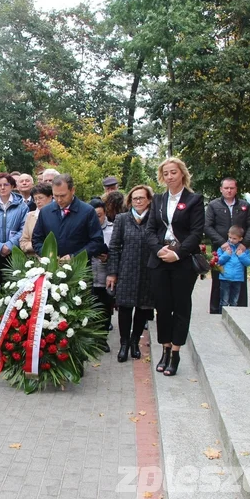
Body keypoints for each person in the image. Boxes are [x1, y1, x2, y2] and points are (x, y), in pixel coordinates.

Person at [145, 158, 204, 377]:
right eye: (166, 173)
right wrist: (160, 250)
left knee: (180, 307)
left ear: (182, 174)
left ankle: (176, 352)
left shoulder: (194, 200)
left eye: (173, 172)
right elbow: (150, 230)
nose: (170, 177)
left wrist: (178, 254)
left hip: (182, 261)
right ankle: (165, 348)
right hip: (159, 258)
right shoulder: (159, 199)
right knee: (162, 307)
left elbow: (197, 232)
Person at [107, 185, 155, 362]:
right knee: (125, 308)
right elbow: (114, 247)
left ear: (149, 200)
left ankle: (135, 342)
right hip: (126, 270)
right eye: (135, 198)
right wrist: (112, 273)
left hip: (148, 271)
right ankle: (124, 344)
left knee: (143, 308)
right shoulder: (122, 219)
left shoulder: (154, 219)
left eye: (142, 198)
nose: (138, 201)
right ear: (130, 201)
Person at [205, 177, 250, 313]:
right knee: (218, 282)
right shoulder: (213, 205)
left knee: (239, 281)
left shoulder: (244, 205)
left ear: (236, 189)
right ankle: (216, 311)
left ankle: (240, 310)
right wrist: (221, 243)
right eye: (226, 188)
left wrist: (245, 244)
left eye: (232, 188)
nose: (229, 190)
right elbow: (207, 226)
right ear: (221, 189)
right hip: (221, 251)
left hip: (239, 250)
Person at [32, 174, 107, 260]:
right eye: (55, 196)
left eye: (63, 195)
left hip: (79, 268)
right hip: (51, 268)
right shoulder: (45, 212)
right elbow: (36, 240)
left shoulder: (87, 211)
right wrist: (47, 254)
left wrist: (74, 256)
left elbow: (97, 241)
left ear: (72, 190)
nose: (59, 200)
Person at [0, 173, 28, 294]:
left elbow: (24, 228)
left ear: (12, 186)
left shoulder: (22, 206)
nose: (2, 188)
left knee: (13, 288)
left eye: (6, 184)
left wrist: (9, 245)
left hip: (14, 253)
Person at [89, 198, 115, 350]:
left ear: (105, 214)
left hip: (106, 275)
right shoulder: (84, 230)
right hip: (90, 275)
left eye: (99, 215)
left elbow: (118, 250)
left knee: (105, 309)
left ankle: (102, 339)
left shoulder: (113, 229)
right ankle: (91, 339)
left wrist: (108, 256)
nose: (96, 219)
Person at [217, 225, 250, 308]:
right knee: (224, 301)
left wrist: (241, 255)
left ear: (240, 239)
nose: (231, 240)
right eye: (230, 237)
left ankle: (233, 317)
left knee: (234, 301)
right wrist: (226, 254)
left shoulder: (244, 249)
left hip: (237, 278)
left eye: (234, 238)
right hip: (225, 277)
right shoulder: (224, 248)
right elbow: (218, 261)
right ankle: (221, 316)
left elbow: (248, 262)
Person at [20, 182, 54, 254]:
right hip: (34, 259)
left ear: (50, 197)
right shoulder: (30, 216)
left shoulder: (58, 214)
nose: (38, 201)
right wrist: (38, 246)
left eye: (40, 198)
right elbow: (23, 242)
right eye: (35, 199)